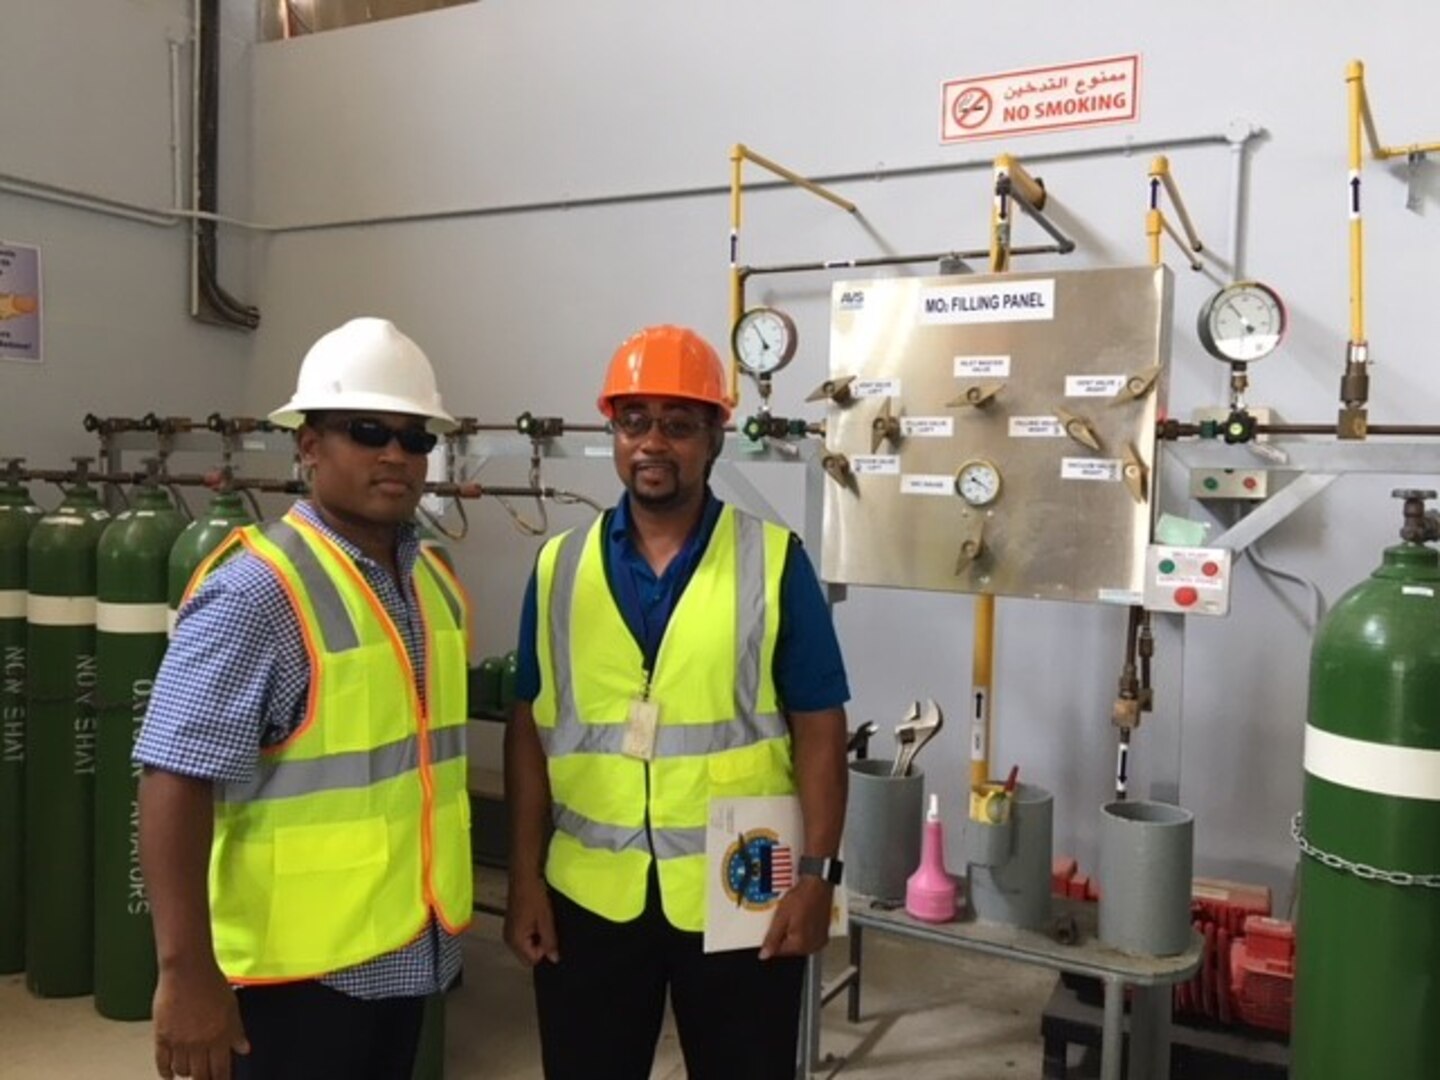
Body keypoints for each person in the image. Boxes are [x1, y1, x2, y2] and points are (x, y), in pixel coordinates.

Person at [503, 324, 850, 1079]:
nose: (652, 442)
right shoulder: (559, 566)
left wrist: (820, 874)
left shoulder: (774, 560)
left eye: (678, 423)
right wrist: (524, 877)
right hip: (588, 897)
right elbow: (529, 728)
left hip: (744, 884)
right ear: (613, 432)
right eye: (634, 421)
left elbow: (821, 728)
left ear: (715, 436)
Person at [134, 317, 473, 1080]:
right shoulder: (258, 590)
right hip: (294, 984)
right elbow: (171, 776)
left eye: (415, 437)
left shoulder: (433, 582)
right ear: (309, 445)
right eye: (366, 431)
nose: (395, 454)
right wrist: (186, 974)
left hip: (406, 953)